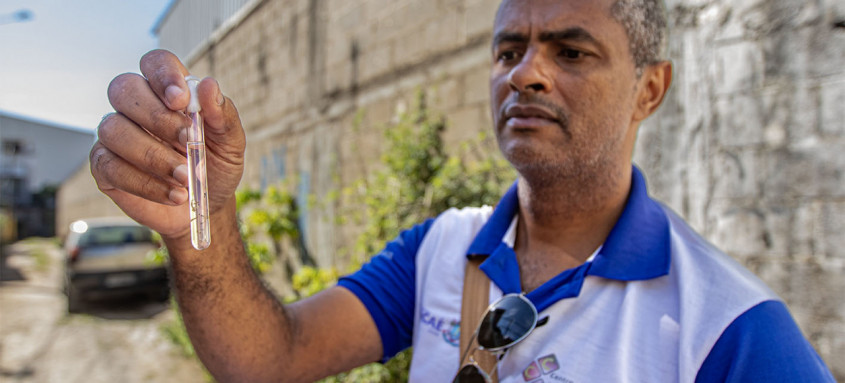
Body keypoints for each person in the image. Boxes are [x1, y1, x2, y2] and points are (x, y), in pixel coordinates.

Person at [90, 0, 836, 381]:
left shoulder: (728, 326)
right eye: (508, 49)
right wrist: (202, 223)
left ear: (649, 89)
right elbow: (269, 357)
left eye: (570, 50)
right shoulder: (442, 249)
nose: (525, 73)